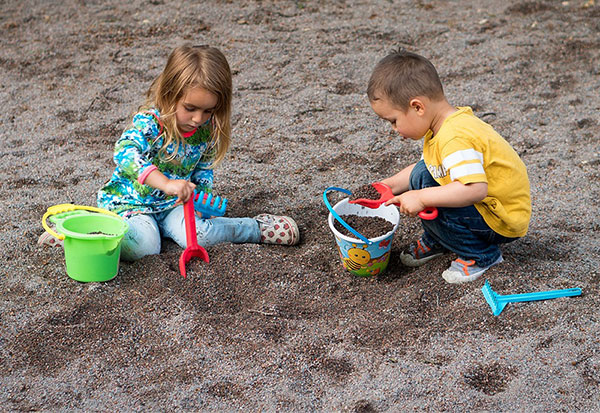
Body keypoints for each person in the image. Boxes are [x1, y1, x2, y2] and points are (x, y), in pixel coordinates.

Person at [39, 44, 299, 260]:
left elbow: (203, 170)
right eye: (190, 108)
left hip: (174, 205)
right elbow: (124, 153)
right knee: (144, 247)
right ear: (169, 94)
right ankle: (79, 233)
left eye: (208, 110)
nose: (198, 118)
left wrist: (198, 197)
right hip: (133, 204)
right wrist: (165, 183)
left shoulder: (206, 130)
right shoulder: (151, 123)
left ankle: (257, 228)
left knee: (200, 237)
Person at [366, 49, 531, 283]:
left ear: (417, 107)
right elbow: (426, 168)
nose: (394, 129)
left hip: (500, 218)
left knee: (431, 196)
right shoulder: (443, 125)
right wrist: (387, 186)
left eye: (393, 121)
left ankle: (481, 255)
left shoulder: (455, 137)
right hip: (486, 207)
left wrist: (422, 198)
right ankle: (440, 239)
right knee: (423, 175)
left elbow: (474, 189)